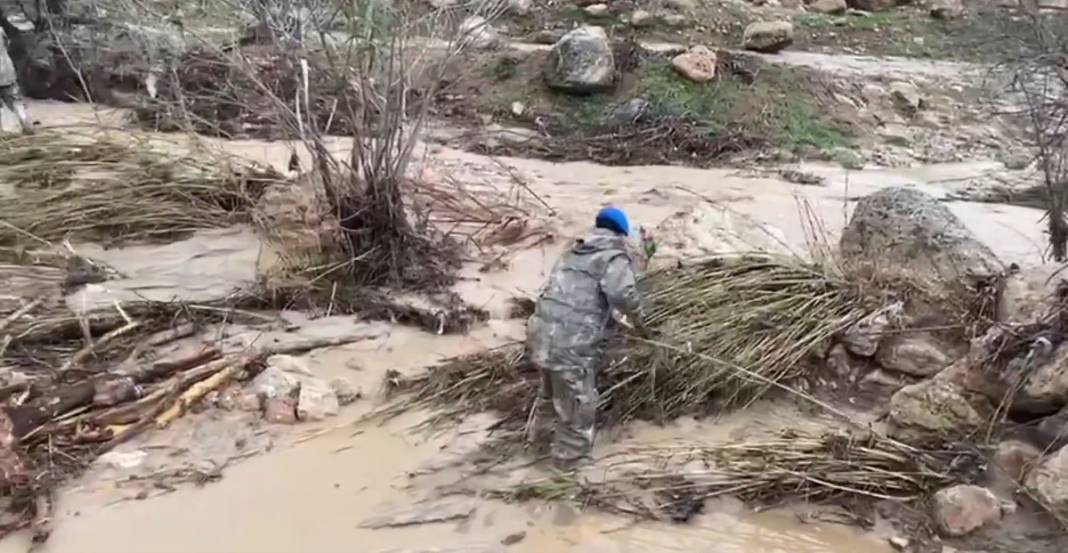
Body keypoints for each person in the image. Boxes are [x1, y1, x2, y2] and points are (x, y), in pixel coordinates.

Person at [527, 206, 646, 469]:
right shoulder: (613, 257)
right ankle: (567, 473)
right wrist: (642, 321)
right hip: (571, 344)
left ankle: (535, 453)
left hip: (541, 335)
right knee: (577, 409)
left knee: (549, 396)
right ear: (621, 234)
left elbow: (575, 296)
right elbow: (623, 295)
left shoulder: (574, 252)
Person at [0, 28, 30, 133]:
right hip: (7, 68)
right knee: (14, 99)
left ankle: (5, 129)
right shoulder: (1, 30)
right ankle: (24, 123)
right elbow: (7, 45)